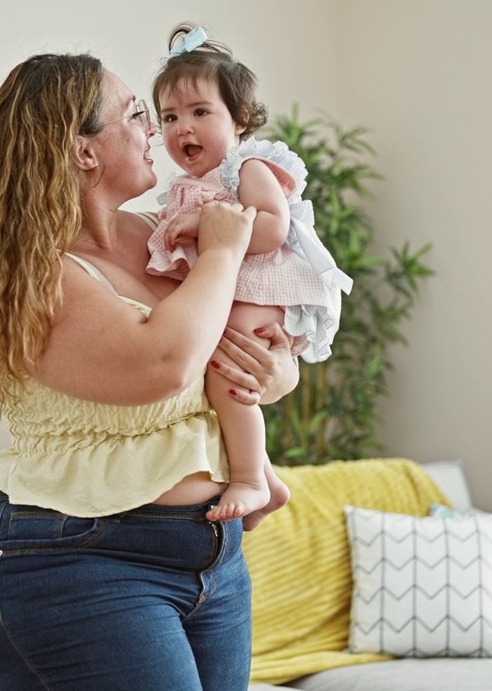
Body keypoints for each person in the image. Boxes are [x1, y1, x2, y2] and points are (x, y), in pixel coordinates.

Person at [0, 52, 301, 691]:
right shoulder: (38, 275)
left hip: (212, 562)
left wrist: (278, 372)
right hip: (77, 565)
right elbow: (164, 363)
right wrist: (223, 251)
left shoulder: (163, 237)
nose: (155, 132)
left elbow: (242, 341)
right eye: (138, 114)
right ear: (83, 150)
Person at [147, 25, 353, 523]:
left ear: (239, 120)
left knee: (227, 376)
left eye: (200, 113)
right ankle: (269, 479)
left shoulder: (247, 166)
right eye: (170, 117)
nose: (183, 129)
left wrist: (204, 225)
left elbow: (272, 227)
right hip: (233, 289)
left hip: (264, 285)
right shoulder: (185, 186)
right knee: (213, 377)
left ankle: (250, 478)